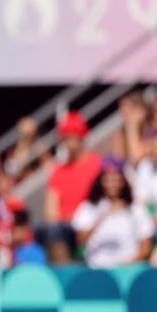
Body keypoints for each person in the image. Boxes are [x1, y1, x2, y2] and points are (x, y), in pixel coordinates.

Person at [43, 111, 102, 264]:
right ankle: (64, 277)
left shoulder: (97, 164)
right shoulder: (58, 170)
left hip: (91, 223)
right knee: (51, 230)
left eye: (72, 137)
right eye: (65, 138)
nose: (68, 143)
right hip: (65, 228)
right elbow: (51, 210)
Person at [71, 162, 154, 269]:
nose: (112, 184)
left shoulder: (136, 209)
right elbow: (80, 240)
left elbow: (145, 248)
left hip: (127, 270)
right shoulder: (89, 208)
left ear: (123, 181)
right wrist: (102, 216)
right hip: (96, 269)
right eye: (107, 179)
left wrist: (124, 266)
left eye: (116, 179)